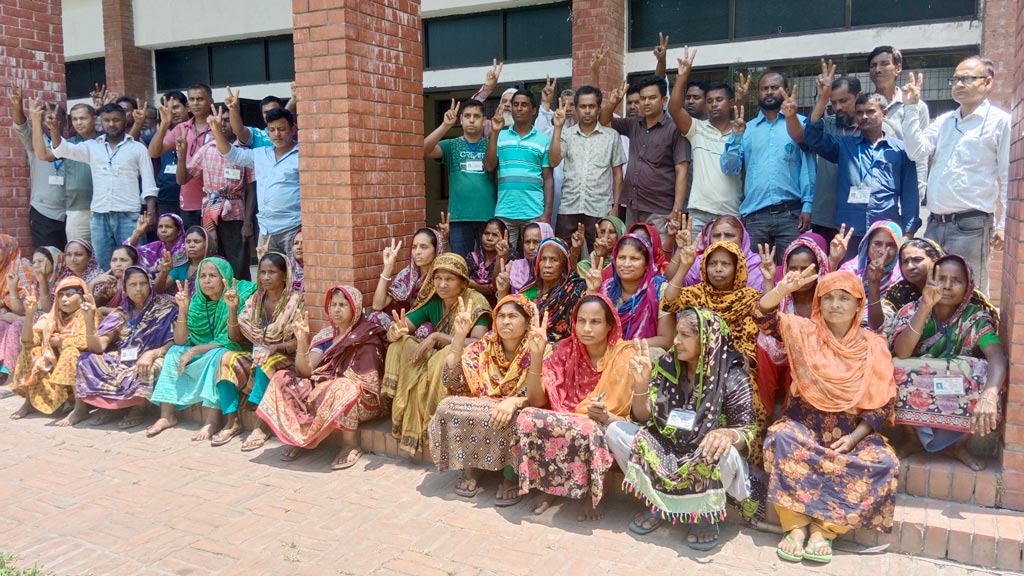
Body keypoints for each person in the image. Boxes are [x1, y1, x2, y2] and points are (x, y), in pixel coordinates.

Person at [755, 269, 899, 565]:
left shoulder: (873, 346)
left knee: (884, 462)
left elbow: (883, 403)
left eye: (844, 298)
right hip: (803, 427)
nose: (835, 304)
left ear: (859, 304)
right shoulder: (803, 331)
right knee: (780, 437)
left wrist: (853, 437)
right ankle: (794, 527)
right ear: (819, 302)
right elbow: (761, 315)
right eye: (828, 297)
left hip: (851, 434)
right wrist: (781, 290)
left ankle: (825, 530)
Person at [607, 310, 755, 549]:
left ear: (706, 339)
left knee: (724, 451)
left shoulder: (731, 374)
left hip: (704, 455)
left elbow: (748, 430)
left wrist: (727, 434)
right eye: (677, 333)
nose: (675, 341)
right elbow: (644, 417)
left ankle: (705, 514)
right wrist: (642, 384)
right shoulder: (668, 365)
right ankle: (657, 502)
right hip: (667, 446)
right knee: (615, 432)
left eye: (685, 335)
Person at [512, 294, 636, 521]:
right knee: (528, 417)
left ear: (610, 325)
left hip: (603, 420)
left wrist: (599, 413)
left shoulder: (624, 354)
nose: (586, 328)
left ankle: (595, 493)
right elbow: (537, 400)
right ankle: (550, 487)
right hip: (567, 415)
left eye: (595, 322)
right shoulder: (567, 349)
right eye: (581, 321)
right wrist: (537, 355)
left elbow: (618, 409)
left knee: (587, 428)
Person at [901, 56, 1010, 295]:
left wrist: (1003, 225)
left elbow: (1008, 175)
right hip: (935, 223)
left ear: (987, 82)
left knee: (970, 291)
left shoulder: (1000, 122)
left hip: (971, 225)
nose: (959, 84)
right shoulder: (945, 121)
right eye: (956, 79)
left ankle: (975, 334)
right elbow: (915, 150)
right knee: (932, 290)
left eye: (967, 78)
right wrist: (910, 108)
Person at [888, 255, 1006, 471]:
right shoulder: (912, 310)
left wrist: (989, 396)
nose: (948, 286)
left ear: (968, 286)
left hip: (955, 388)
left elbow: (997, 358)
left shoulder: (976, 318)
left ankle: (958, 445)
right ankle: (912, 438)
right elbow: (902, 352)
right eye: (941, 279)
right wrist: (925, 307)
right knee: (897, 368)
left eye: (957, 281)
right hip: (920, 385)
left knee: (986, 374)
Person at [257, 285, 386, 469]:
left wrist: (325, 386)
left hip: (361, 400)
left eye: (343, 304)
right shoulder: (325, 336)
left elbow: (367, 382)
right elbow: (305, 372)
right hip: (321, 392)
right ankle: (297, 436)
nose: (337, 309)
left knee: (344, 387)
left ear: (355, 309)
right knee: (281, 378)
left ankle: (350, 444)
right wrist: (302, 341)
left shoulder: (366, 336)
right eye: (333, 304)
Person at [662, 239, 766, 465]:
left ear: (737, 267)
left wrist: (743, 360)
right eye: (713, 263)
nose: (718, 269)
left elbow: (749, 337)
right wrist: (684, 266)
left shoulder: (748, 298)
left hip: (730, 364)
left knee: (750, 392)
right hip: (689, 358)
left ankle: (744, 462)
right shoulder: (696, 293)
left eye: (725, 264)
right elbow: (669, 302)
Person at [429, 294, 534, 504]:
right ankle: (473, 468)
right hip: (483, 403)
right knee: (448, 406)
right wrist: (459, 338)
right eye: (501, 316)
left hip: (520, 406)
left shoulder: (537, 347)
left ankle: (510, 477)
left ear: (527, 322)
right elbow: (452, 380)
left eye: (513, 316)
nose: (505, 321)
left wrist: (514, 402)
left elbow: (541, 396)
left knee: (515, 417)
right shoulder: (486, 344)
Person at [382, 253, 491, 455]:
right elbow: (402, 327)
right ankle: (397, 404)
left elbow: (479, 343)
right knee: (400, 343)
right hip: (437, 359)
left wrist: (439, 337)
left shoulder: (475, 302)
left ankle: (434, 418)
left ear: (463, 283)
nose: (442, 284)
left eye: (449, 279)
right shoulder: (434, 301)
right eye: (438, 278)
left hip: (464, 364)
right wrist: (393, 332)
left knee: (445, 355)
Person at [146, 257, 257, 441]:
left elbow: (232, 339)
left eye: (212, 275)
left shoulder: (238, 295)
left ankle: (211, 419)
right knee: (174, 352)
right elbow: (181, 341)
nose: (206, 280)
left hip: (228, 351)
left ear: (225, 277)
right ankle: (167, 415)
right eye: (202, 276)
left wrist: (231, 309)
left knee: (217, 354)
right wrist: (183, 309)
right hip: (201, 352)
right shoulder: (197, 302)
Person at [796, 85, 919, 246]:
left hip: (885, 232)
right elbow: (813, 138)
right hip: (848, 233)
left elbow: (910, 195)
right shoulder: (844, 146)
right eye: (859, 113)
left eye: (870, 111)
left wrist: (908, 235)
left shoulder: (901, 150)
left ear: (884, 113)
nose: (864, 117)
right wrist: (823, 99)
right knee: (848, 272)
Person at [47, 103, 158, 268]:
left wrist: (151, 211)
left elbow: (149, 183)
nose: (111, 124)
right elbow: (62, 150)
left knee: (135, 263)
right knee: (103, 265)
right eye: (107, 120)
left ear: (125, 120)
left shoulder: (138, 148)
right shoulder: (92, 147)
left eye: (116, 120)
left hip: (129, 216)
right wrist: (54, 129)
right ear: (101, 121)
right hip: (99, 216)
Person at [721, 72, 816, 259]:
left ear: (786, 91)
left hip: (791, 215)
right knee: (753, 275)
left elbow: (808, 169)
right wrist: (736, 137)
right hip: (756, 217)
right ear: (758, 93)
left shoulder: (800, 124)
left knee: (792, 274)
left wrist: (808, 205)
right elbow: (729, 168)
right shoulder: (746, 129)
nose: (769, 92)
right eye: (765, 88)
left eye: (775, 88)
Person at [74, 266, 177, 429]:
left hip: (153, 355)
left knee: (148, 368)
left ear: (150, 285)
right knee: (85, 360)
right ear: (125, 289)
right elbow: (98, 347)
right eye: (133, 285)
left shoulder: (165, 308)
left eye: (143, 284)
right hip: (123, 357)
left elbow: (174, 341)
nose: (138, 289)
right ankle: (112, 408)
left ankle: (138, 408)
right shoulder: (121, 312)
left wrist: (152, 354)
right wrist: (89, 321)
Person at [754, 232, 843, 415]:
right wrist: (769, 280)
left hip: (813, 355)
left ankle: (790, 417)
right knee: (765, 341)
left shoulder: (826, 295)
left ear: (817, 269)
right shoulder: (784, 292)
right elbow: (765, 319)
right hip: (785, 348)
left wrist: (833, 260)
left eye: (806, 268)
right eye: (793, 268)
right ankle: (763, 413)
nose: (799, 274)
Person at [600, 76, 691, 246]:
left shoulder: (674, 129)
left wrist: (676, 209)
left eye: (652, 98)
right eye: (643, 98)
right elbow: (604, 121)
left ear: (664, 100)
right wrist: (613, 102)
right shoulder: (634, 124)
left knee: (659, 257)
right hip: (633, 206)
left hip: (660, 209)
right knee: (632, 253)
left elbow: (682, 170)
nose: (646, 102)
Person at [226, 252, 303, 451]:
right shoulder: (255, 300)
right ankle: (231, 420)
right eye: (262, 272)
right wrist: (232, 310)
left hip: (287, 359)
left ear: (285, 276)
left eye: (272, 272)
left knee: (264, 361)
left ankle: (260, 425)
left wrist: (274, 347)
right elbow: (235, 337)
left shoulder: (295, 301)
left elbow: (300, 340)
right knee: (227, 358)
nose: (266, 277)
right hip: (259, 356)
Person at [668, 49, 746, 234]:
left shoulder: (742, 132)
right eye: (710, 101)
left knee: (726, 263)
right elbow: (674, 108)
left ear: (731, 103)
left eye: (719, 100)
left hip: (731, 214)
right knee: (691, 261)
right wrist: (682, 77)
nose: (714, 104)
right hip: (699, 213)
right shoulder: (697, 129)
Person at [785, 60, 863, 241]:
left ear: (858, 96)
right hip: (825, 216)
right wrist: (822, 98)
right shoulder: (826, 124)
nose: (838, 108)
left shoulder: (868, 129)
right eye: (833, 102)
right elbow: (804, 135)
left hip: (857, 216)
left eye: (844, 101)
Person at [179, 103, 256, 281]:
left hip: (236, 215)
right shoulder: (206, 149)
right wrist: (182, 155)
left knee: (238, 264)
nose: (222, 124)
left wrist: (248, 222)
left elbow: (252, 189)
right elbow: (182, 180)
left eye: (228, 120)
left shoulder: (244, 151)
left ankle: (241, 303)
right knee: (212, 262)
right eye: (218, 121)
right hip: (210, 214)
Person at [212, 105, 301, 256]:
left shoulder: (302, 156)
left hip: (293, 228)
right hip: (267, 230)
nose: (277, 134)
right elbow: (230, 154)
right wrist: (216, 130)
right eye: (272, 130)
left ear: (292, 129)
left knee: (295, 276)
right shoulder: (260, 154)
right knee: (268, 276)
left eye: (282, 129)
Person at [549, 86, 626, 249]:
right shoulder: (566, 134)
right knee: (564, 253)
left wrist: (616, 207)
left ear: (599, 108)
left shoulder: (611, 136)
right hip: (569, 205)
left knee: (599, 253)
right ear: (576, 109)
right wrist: (557, 128)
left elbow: (618, 174)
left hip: (599, 207)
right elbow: (554, 161)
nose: (587, 111)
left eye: (592, 106)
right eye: (583, 107)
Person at [424, 98, 495, 258]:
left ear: (484, 121)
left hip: (488, 216)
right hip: (459, 217)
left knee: (488, 264)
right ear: (461, 119)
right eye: (467, 115)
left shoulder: (491, 145)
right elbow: (425, 150)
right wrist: (445, 126)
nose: (471, 120)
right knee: (461, 264)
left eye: (476, 116)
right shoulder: (451, 145)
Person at [10, 277, 88, 421]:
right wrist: (30, 314)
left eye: (70, 295)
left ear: (82, 297)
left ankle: (80, 407)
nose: (64, 299)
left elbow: (85, 341)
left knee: (70, 352)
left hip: (77, 369)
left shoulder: (88, 315)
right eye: (61, 295)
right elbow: (28, 341)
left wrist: (60, 341)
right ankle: (29, 402)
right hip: (53, 365)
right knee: (31, 351)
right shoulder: (50, 318)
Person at [484, 90, 553, 248]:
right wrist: (494, 133)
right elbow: (489, 166)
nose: (519, 108)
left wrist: (547, 214)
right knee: (504, 259)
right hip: (505, 212)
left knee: (534, 260)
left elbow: (548, 178)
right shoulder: (499, 136)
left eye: (524, 105)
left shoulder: (543, 140)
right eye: (515, 105)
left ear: (534, 110)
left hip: (534, 213)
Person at [586, 234, 673, 349]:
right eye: (622, 257)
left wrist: (624, 347)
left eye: (634, 259)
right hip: (608, 352)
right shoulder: (606, 288)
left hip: (642, 355)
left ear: (647, 264)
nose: (626, 264)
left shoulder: (660, 289)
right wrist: (593, 291)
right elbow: (590, 329)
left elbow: (665, 340)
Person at [867, 46, 929, 204]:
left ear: (898, 68)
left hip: (904, 184)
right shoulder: (864, 108)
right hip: (872, 186)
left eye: (884, 64)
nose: (878, 69)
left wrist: (919, 189)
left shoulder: (916, 106)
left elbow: (922, 153)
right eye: (873, 65)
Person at [150, 84, 215, 228]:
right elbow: (154, 152)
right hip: (189, 202)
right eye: (192, 99)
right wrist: (164, 124)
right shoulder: (182, 128)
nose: (196, 103)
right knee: (192, 247)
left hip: (215, 202)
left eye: (200, 99)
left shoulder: (219, 125)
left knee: (215, 249)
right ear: (188, 104)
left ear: (211, 101)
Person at [498, 238, 585, 343]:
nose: (547, 265)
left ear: (563, 265)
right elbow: (510, 324)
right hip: (528, 346)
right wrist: (502, 292)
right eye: (543, 259)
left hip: (562, 350)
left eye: (554, 260)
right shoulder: (527, 292)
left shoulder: (574, 290)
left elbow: (581, 328)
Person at [10, 88, 67, 249]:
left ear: (64, 122)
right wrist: (18, 105)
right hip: (43, 212)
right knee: (48, 258)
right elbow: (21, 125)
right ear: (40, 123)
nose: (51, 122)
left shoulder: (71, 145)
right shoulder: (35, 142)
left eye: (56, 118)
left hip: (70, 213)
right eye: (46, 119)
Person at [368, 228, 444, 338]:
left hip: (427, 327)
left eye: (424, 247)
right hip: (402, 325)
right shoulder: (407, 274)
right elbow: (377, 305)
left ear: (436, 249)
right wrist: (388, 268)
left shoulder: (442, 276)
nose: (417, 252)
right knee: (375, 317)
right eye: (414, 247)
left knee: (425, 329)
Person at [0, 247, 61, 381]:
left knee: (17, 325)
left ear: (54, 262)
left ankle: (11, 376)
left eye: (41, 261)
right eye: (34, 262)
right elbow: (21, 310)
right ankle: (2, 372)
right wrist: (12, 288)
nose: (37, 265)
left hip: (51, 321)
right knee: (2, 324)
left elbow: (48, 311)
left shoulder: (60, 282)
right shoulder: (35, 284)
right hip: (32, 318)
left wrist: (43, 281)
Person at [867, 237, 944, 331]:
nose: (909, 267)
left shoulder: (948, 286)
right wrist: (874, 283)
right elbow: (877, 326)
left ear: (935, 260)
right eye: (905, 261)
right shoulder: (900, 291)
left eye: (917, 259)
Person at [676, 215, 764, 289]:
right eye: (716, 235)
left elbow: (761, 304)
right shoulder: (699, 261)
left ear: (742, 239)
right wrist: (681, 255)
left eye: (729, 235)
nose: (722, 241)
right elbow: (675, 291)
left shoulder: (756, 265)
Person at [839, 220, 903, 323]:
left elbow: (880, 324)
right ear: (867, 244)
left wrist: (874, 283)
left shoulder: (901, 278)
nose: (882, 251)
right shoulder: (850, 270)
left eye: (891, 245)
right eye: (877, 244)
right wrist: (833, 260)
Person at [0, 236, 36, 382]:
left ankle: (10, 377)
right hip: (7, 315)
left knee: (15, 328)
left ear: (8, 250)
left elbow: (23, 309)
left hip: (30, 314)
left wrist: (6, 303)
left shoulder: (22, 267)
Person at [466, 219, 514, 305]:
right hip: (474, 304)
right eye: (486, 233)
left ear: (504, 238)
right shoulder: (472, 257)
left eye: (495, 235)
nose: (489, 238)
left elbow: (497, 288)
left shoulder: (511, 257)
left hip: (502, 305)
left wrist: (500, 257)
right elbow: (461, 283)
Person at [156, 226, 210, 297]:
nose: (191, 245)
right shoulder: (181, 264)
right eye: (188, 242)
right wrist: (163, 272)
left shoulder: (215, 264)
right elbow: (159, 290)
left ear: (207, 244)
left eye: (197, 242)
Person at [89, 244, 140, 312]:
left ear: (134, 263)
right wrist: (93, 283)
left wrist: (105, 310)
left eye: (123, 260)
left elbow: (135, 311)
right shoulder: (111, 285)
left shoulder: (138, 283)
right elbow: (90, 305)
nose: (118, 264)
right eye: (114, 260)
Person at [505, 222, 553, 294]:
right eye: (527, 242)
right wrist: (500, 257)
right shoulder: (516, 267)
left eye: (536, 242)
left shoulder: (555, 269)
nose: (531, 247)